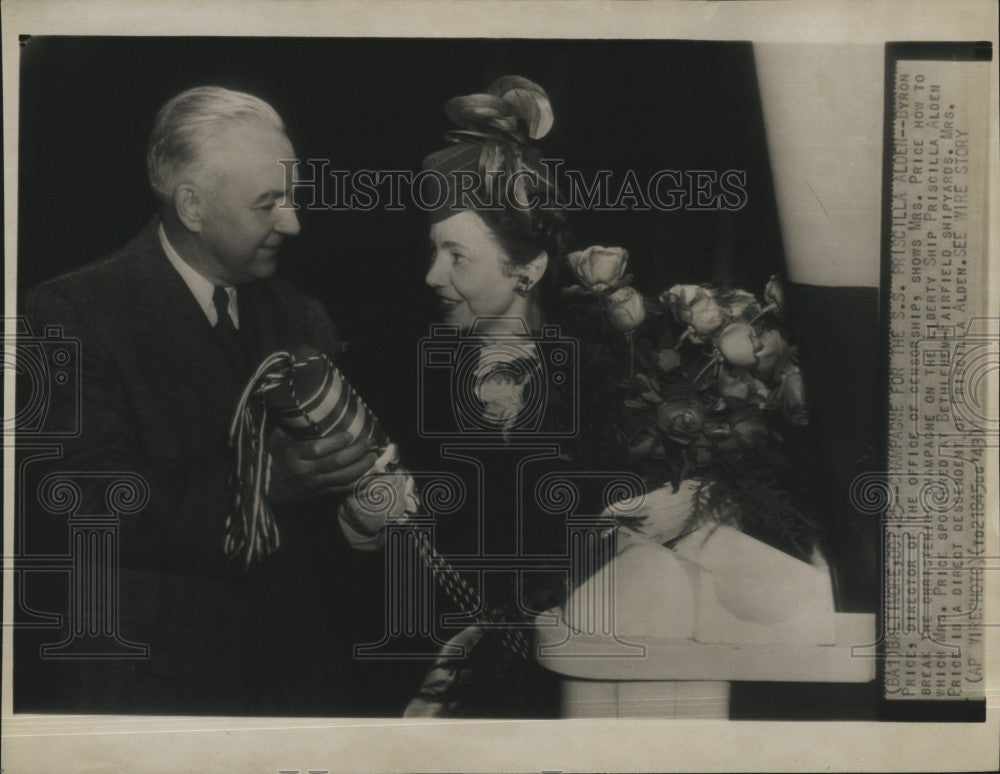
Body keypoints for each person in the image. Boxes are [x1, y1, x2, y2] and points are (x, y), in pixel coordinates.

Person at [16, 86, 385, 715]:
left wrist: (365, 510)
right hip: (151, 690)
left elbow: (329, 544)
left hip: (298, 686)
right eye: (268, 203)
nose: (293, 222)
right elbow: (81, 506)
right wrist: (261, 483)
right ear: (191, 205)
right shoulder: (69, 314)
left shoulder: (304, 314)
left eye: (292, 197)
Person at [399, 76, 582, 718]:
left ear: (527, 269)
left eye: (457, 257)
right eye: (433, 252)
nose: (432, 276)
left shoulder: (596, 387)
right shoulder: (406, 380)